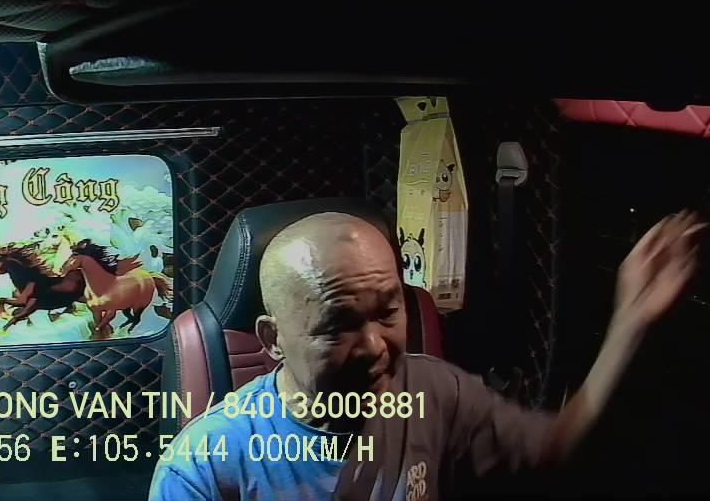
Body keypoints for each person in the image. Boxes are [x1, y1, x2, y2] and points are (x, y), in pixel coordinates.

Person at [149, 210, 705, 500]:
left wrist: (629, 323)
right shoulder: (203, 465)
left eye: (388, 312)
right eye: (338, 326)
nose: (375, 347)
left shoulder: (434, 391)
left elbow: (553, 448)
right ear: (272, 339)